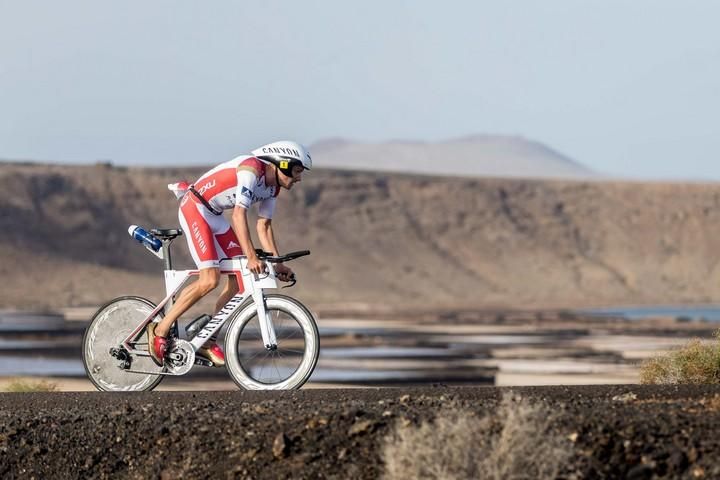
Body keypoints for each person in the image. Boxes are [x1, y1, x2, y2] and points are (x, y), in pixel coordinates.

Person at [147, 140, 312, 367]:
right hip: (195, 208)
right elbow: (238, 216)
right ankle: (160, 329)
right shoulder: (251, 170)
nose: (299, 178)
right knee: (210, 279)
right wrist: (252, 257)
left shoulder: (273, 188)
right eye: (296, 171)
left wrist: (278, 263)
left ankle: (207, 338)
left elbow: (263, 226)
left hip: (214, 215)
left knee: (239, 282)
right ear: (282, 164)